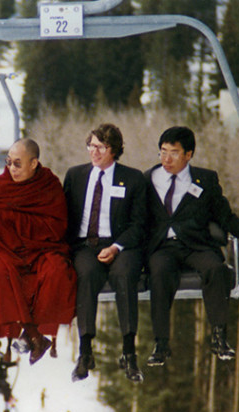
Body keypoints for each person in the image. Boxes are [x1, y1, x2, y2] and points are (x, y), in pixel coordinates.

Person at [144, 126, 239, 365]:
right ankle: (161, 343)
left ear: (188, 154)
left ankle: (219, 336)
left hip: (195, 245)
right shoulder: (147, 179)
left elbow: (225, 216)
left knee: (216, 269)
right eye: (162, 152)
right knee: (159, 273)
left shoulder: (206, 179)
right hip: (162, 246)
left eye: (174, 153)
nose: (166, 159)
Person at [0, 138, 77, 365]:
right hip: (7, 251)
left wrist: (17, 221)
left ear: (34, 163)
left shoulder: (49, 185)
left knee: (56, 271)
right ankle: (33, 334)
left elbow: (57, 226)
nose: (12, 168)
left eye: (17, 164)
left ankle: (33, 334)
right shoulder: (1, 185)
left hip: (42, 250)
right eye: (9, 162)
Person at [64, 123, 147, 383]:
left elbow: (139, 223)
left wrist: (116, 247)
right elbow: (64, 216)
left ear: (114, 149)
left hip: (121, 243)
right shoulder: (75, 175)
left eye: (100, 146)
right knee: (86, 275)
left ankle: (129, 351)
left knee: (124, 276)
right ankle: (85, 351)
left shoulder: (133, 179)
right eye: (91, 145)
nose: (93, 151)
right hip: (86, 243)